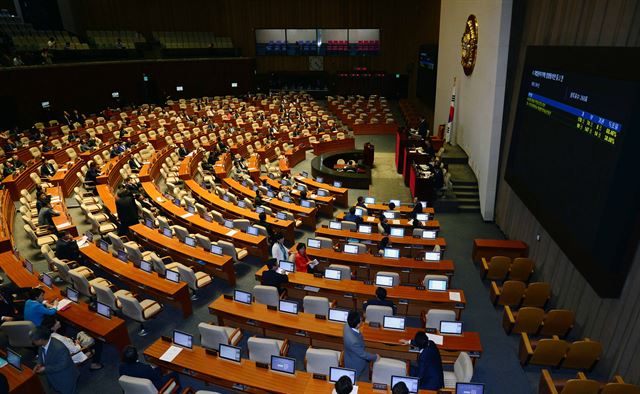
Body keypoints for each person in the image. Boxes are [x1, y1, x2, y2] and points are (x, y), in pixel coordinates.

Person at [31, 326, 80, 394]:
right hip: (54, 375)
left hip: (65, 378)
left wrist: (45, 369)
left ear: (40, 340)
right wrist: (39, 363)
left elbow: (62, 365)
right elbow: (41, 355)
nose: (32, 342)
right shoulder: (41, 344)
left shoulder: (60, 348)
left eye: (34, 341)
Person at [343, 311, 379, 381]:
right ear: (358, 325)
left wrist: (362, 314)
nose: (362, 321)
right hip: (356, 364)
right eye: (361, 320)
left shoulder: (347, 324)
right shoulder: (353, 341)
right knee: (359, 382)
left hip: (350, 355)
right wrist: (375, 357)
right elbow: (363, 354)